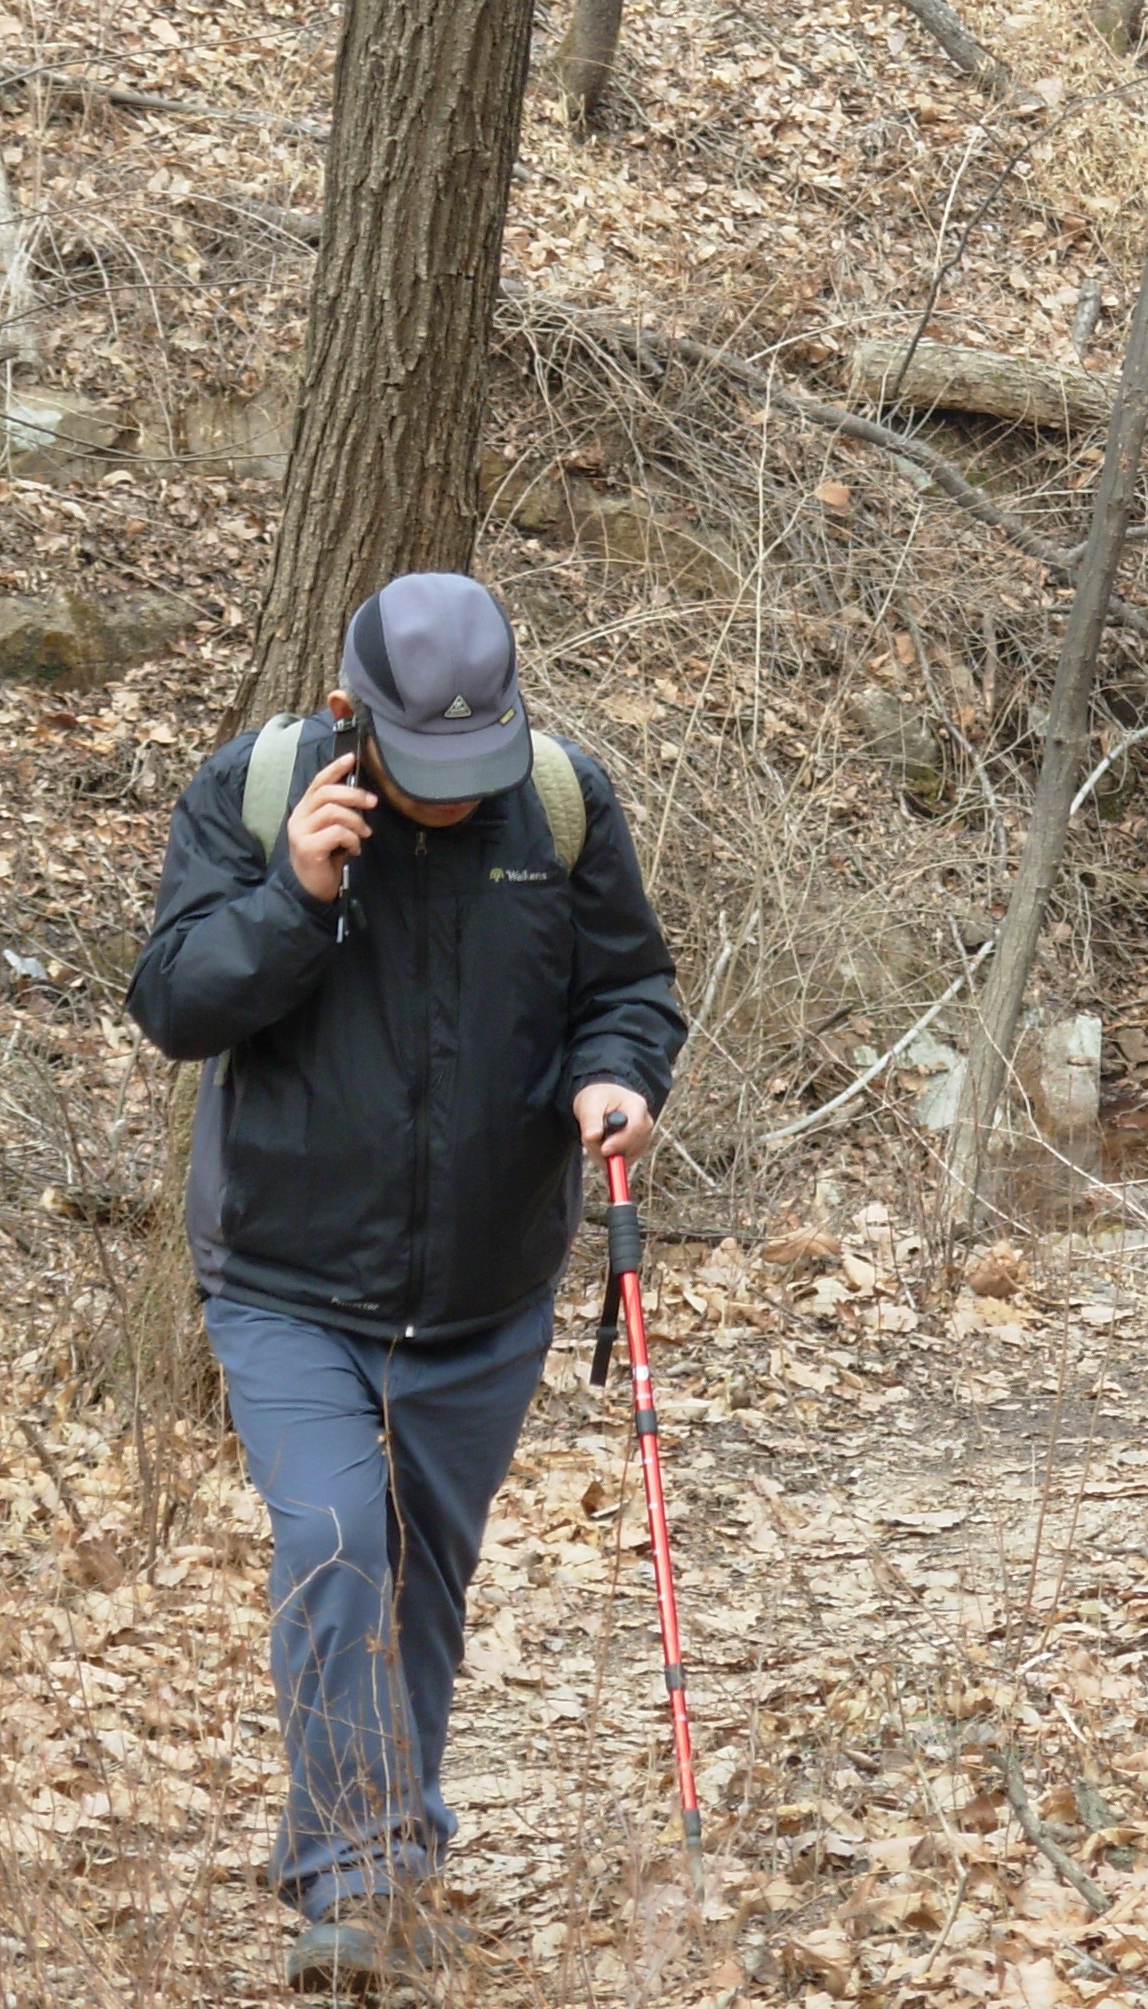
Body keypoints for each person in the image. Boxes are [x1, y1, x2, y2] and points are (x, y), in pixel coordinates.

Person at [126, 572, 686, 1990]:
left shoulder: (558, 803)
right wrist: (292, 896)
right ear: (350, 714)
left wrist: (618, 1078)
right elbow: (175, 1006)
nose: (450, 798)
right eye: (423, 768)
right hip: (286, 1275)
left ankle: (379, 1858)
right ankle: (358, 1876)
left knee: (421, 1580)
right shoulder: (253, 793)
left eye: (472, 763)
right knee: (336, 1545)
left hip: (486, 1286)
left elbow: (626, 990)